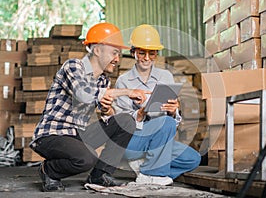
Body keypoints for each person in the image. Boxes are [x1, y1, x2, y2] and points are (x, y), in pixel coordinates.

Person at [29, 22, 150, 192]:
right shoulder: (73, 66)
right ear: (98, 50)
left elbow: (106, 113)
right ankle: (48, 170)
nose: (117, 59)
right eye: (114, 52)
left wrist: (108, 111)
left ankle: (100, 175)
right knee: (86, 158)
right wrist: (126, 92)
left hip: (77, 134)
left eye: (119, 54)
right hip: (52, 135)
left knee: (125, 121)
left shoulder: (103, 80)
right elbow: (83, 95)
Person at [114, 24, 201, 186]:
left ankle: (146, 170)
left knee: (193, 159)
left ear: (156, 54)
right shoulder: (124, 81)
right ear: (133, 52)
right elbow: (119, 121)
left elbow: (172, 122)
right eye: (141, 53)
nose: (146, 58)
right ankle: (151, 172)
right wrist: (139, 114)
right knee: (165, 122)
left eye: (151, 53)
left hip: (160, 140)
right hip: (134, 141)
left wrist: (174, 112)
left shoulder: (165, 77)